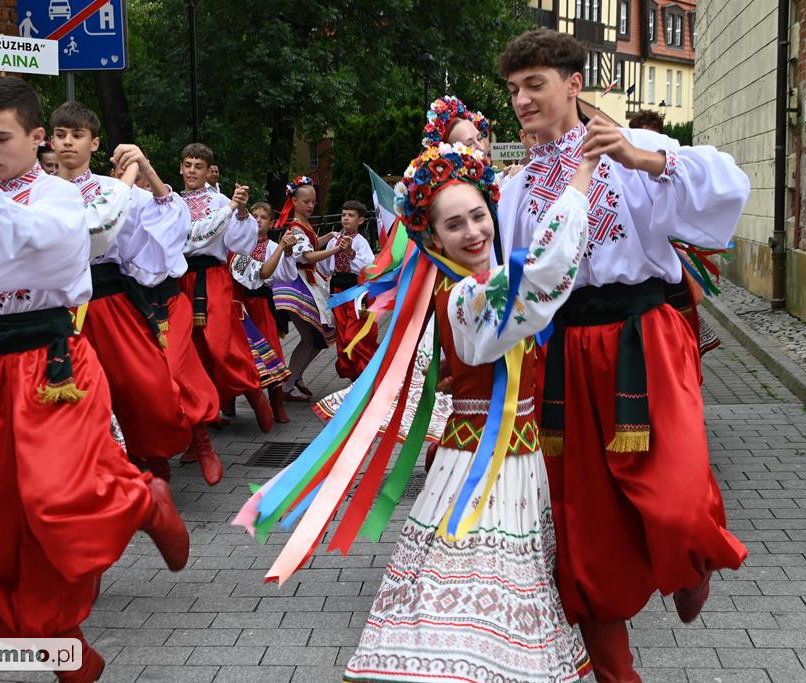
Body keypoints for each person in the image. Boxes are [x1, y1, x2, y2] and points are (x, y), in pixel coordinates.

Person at [238, 142, 594, 682]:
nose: (473, 231)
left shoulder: (475, 283)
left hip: (515, 458)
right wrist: (581, 177)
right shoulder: (467, 295)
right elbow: (545, 273)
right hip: (481, 464)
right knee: (471, 590)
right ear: (431, 238)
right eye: (455, 225)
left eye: (479, 215)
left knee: (501, 587)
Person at [0, 77, 189, 682]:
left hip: (58, 361)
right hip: (0, 368)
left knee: (54, 498)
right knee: (7, 525)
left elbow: (52, 245)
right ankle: (66, 647)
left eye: (1, 137)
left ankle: (143, 499)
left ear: (37, 138)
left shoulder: (57, 197)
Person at [497, 30, 750, 681]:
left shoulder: (639, 149)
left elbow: (727, 187)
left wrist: (647, 160)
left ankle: (693, 557)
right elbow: (514, 283)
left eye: (535, 84)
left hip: (645, 337)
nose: (522, 99)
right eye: (514, 88)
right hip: (562, 354)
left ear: (573, 85)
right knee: (585, 526)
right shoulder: (516, 189)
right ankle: (615, 670)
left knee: (679, 497)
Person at [49, 101, 224, 486]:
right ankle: (135, 467)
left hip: (109, 302)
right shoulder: (41, 190)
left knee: (147, 385)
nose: (67, 143)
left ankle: (178, 451)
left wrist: (145, 169)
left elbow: (165, 213)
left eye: (77, 135)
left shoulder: (112, 188)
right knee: (83, 395)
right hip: (57, 305)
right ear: (48, 139)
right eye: (60, 135)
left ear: (94, 144)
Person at [176, 143, 275, 433]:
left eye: (199, 166)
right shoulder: (173, 202)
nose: (192, 171)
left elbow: (239, 243)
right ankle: (204, 417)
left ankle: (254, 392)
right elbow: (181, 241)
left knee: (221, 344)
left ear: (209, 172)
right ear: (181, 167)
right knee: (191, 351)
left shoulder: (220, 201)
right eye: (188, 165)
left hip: (214, 278)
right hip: (183, 280)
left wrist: (242, 211)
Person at [628, 110, 723, 358]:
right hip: (637, 264)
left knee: (685, 303)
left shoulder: (668, 168)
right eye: (643, 136)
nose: (649, 143)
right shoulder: (625, 171)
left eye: (654, 136)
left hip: (666, 256)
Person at [271, 176, 349, 401]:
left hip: (309, 282)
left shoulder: (303, 226)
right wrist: (335, 250)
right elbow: (307, 256)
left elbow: (312, 245)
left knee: (317, 338)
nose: (311, 205)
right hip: (298, 283)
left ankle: (295, 378)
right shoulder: (295, 229)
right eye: (306, 202)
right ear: (294, 201)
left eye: (313, 201)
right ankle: (288, 384)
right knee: (311, 337)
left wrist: (331, 236)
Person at [230, 201, 298, 424]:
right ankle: (228, 402)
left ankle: (277, 404)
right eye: (254, 216)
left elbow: (285, 275)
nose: (258, 220)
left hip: (260, 305)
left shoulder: (271, 246)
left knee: (271, 351)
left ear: (271, 223)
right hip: (236, 305)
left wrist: (286, 252)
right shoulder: (237, 243)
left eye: (263, 217)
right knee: (235, 354)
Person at [320, 200, 378, 381]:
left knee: (356, 334)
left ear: (360, 220)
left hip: (357, 292)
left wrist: (351, 253)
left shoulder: (361, 242)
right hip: (337, 290)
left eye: (351, 215)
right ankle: (354, 375)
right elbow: (325, 267)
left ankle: (366, 374)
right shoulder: (334, 241)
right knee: (343, 335)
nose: (345, 218)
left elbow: (369, 268)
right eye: (343, 214)